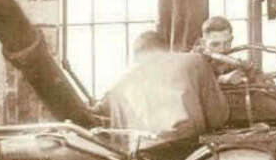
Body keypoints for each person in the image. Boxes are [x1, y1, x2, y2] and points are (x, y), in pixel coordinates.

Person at [97, 31, 229, 141]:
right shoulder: (194, 61)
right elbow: (218, 117)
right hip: (189, 146)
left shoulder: (122, 81)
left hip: (144, 157)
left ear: (137, 56)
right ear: (167, 49)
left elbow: (118, 132)